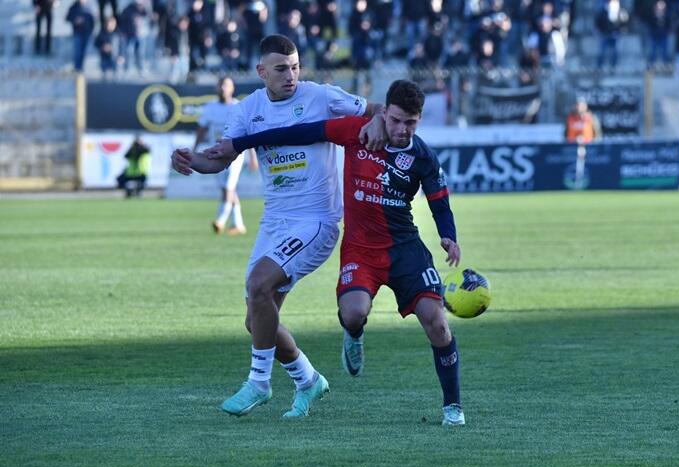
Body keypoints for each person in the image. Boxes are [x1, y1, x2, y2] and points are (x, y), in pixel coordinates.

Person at [204, 80, 466, 426]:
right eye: (397, 120)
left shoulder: (422, 156)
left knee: (437, 324)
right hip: (360, 248)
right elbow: (302, 131)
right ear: (385, 112)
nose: (403, 130)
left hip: (405, 249)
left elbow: (438, 201)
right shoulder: (356, 132)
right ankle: (353, 336)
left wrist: (449, 236)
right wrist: (237, 145)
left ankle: (453, 407)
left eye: (412, 123)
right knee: (354, 313)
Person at [170, 34, 386, 418]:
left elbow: (375, 109)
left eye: (296, 67)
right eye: (282, 69)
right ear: (261, 72)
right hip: (276, 221)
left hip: (317, 221)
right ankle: (308, 380)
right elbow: (219, 158)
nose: (291, 76)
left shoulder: (321, 96)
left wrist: (380, 124)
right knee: (256, 320)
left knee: (258, 284)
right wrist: (190, 161)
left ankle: (259, 383)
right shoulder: (249, 108)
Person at [193, 77, 254, 235]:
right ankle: (238, 224)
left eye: (226, 85)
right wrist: (194, 147)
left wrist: (253, 157)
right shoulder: (210, 107)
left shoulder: (237, 107)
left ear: (232, 88)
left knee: (228, 187)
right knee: (227, 189)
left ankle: (220, 221)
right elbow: (202, 128)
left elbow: (248, 133)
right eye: (220, 85)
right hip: (215, 153)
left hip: (234, 153)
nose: (222, 88)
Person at [66, 0, 96, 72]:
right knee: (78, 51)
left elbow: (93, 20)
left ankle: (82, 68)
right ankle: (77, 68)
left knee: (84, 52)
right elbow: (67, 17)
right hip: (77, 33)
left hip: (87, 33)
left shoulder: (90, 7)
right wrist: (75, 20)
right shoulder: (73, 7)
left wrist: (91, 31)